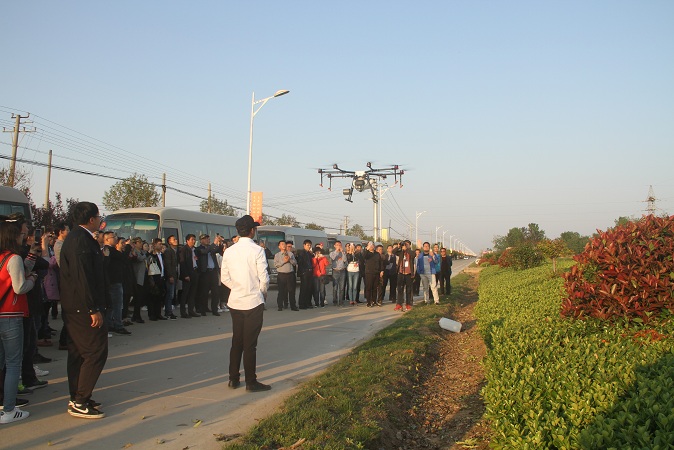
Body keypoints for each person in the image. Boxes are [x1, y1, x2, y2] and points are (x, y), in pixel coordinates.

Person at [60, 202, 108, 419]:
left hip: (77, 306)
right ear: (91, 219)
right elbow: (82, 277)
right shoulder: (80, 239)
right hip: (81, 308)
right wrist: (92, 308)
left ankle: (78, 396)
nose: (100, 220)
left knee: (78, 353)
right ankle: (80, 400)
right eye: (98, 217)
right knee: (95, 351)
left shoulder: (80, 238)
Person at [220, 215, 270, 392]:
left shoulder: (229, 251)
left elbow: (224, 278)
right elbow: (264, 278)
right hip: (253, 302)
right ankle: (251, 381)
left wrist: (238, 287)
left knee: (237, 342)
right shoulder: (257, 250)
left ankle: (233, 379)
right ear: (251, 231)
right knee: (250, 344)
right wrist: (260, 292)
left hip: (235, 301)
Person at [0, 217, 36, 423]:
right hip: (10, 315)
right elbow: (19, 287)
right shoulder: (12, 258)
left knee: (1, 362)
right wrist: (32, 280)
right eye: (21, 234)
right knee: (13, 363)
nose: (23, 237)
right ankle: (9, 409)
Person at [103, 232, 130, 335]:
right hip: (113, 281)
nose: (115, 238)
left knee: (112, 305)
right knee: (117, 305)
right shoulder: (109, 250)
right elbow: (123, 257)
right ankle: (118, 325)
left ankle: (111, 324)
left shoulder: (110, 250)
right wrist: (128, 247)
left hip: (114, 280)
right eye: (113, 237)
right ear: (107, 239)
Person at [195, 234, 221, 316]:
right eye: (205, 239)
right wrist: (214, 243)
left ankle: (214, 309)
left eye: (208, 239)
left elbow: (218, 250)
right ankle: (202, 309)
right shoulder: (198, 249)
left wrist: (219, 243)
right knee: (204, 292)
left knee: (215, 292)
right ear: (201, 240)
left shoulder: (211, 247)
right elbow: (205, 252)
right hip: (205, 272)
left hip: (213, 271)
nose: (207, 240)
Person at [178, 234, 199, 318]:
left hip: (195, 272)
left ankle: (191, 310)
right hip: (187, 274)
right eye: (192, 239)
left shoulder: (195, 250)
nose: (194, 241)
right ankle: (183, 312)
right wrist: (185, 275)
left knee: (192, 293)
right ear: (187, 241)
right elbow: (182, 263)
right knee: (185, 294)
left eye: (194, 239)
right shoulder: (183, 249)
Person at [146, 238, 167, 321]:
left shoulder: (162, 255)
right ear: (154, 245)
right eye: (159, 244)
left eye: (161, 244)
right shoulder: (151, 255)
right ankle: (152, 314)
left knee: (159, 296)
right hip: (153, 278)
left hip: (161, 277)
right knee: (152, 297)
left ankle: (158, 313)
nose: (161, 245)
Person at [274, 240, 298, 311]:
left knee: (291, 291)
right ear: (279, 246)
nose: (284, 245)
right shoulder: (277, 255)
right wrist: (284, 261)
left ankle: (293, 306)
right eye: (282, 244)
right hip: (281, 275)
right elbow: (276, 265)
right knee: (281, 291)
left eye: (284, 244)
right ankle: (280, 306)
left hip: (290, 274)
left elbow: (295, 263)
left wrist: (289, 259)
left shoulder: (290, 254)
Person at [129, 237, 148, 323]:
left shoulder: (142, 251)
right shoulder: (134, 251)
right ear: (135, 243)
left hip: (143, 276)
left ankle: (136, 315)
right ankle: (136, 316)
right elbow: (139, 259)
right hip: (137, 277)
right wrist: (146, 253)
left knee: (140, 297)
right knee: (137, 297)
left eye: (141, 242)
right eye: (139, 242)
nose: (141, 244)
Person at [394, 241, 415, 311]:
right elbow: (393, 252)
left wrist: (407, 249)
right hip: (401, 273)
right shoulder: (401, 252)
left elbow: (413, 255)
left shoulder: (411, 252)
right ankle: (399, 304)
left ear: (409, 245)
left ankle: (408, 304)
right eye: (405, 244)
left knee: (408, 290)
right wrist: (398, 246)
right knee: (400, 289)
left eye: (407, 244)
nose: (405, 245)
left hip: (408, 273)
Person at [363, 242, 383, 307]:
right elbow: (363, 256)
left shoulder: (377, 254)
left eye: (372, 245)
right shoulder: (367, 253)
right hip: (369, 273)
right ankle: (369, 302)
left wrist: (381, 270)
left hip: (376, 272)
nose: (371, 246)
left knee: (375, 288)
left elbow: (380, 262)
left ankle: (374, 301)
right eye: (370, 245)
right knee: (369, 287)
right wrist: (367, 249)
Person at [163, 235, 178, 320]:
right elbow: (167, 265)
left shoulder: (174, 251)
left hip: (174, 275)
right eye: (174, 239)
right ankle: (168, 312)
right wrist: (170, 276)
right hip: (170, 276)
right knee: (169, 294)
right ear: (169, 242)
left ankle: (169, 312)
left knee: (172, 294)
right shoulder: (168, 251)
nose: (176, 240)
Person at [296, 240, 314, 310]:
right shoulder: (301, 253)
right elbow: (300, 263)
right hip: (304, 273)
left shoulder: (309, 253)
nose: (309, 246)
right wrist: (303, 272)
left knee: (309, 288)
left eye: (310, 245)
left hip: (310, 272)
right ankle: (302, 304)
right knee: (304, 288)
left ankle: (307, 303)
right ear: (304, 245)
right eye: (307, 245)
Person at [329, 241, 347, 306]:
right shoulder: (332, 253)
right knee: (335, 287)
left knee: (342, 288)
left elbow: (345, 260)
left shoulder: (343, 253)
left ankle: (341, 301)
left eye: (340, 245)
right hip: (335, 271)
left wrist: (342, 252)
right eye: (337, 245)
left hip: (342, 271)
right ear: (334, 246)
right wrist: (337, 251)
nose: (339, 246)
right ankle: (335, 301)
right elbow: (333, 258)